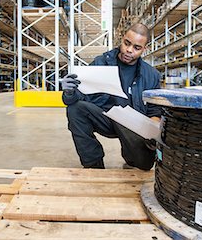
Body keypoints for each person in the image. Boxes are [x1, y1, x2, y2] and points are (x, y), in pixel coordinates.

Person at [61, 23, 161, 170]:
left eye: (136, 48)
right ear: (122, 39)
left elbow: (154, 112)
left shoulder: (151, 75)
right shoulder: (101, 63)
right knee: (75, 109)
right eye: (127, 43)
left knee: (143, 166)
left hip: (133, 125)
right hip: (106, 118)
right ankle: (93, 164)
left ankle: (132, 157)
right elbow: (79, 96)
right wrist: (69, 92)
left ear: (144, 49)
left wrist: (152, 133)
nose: (129, 50)